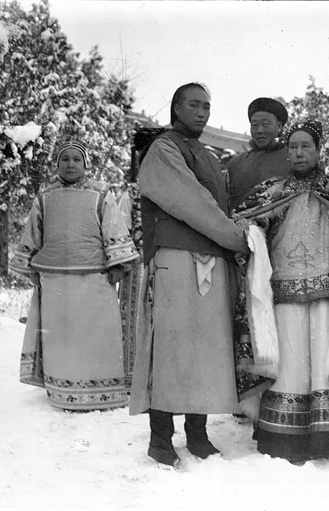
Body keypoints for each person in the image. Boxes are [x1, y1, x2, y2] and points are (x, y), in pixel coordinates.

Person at [233, 120, 329, 464]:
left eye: (305, 146)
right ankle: (284, 438)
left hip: (325, 293)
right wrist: (252, 229)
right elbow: (246, 220)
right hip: (283, 292)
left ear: (318, 150)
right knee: (290, 364)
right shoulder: (272, 190)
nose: (298, 153)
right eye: (292, 147)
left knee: (323, 362)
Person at [129, 83, 249, 468]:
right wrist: (235, 237)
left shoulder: (209, 157)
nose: (202, 112)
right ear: (176, 108)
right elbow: (193, 203)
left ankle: (197, 433)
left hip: (211, 260)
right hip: (175, 258)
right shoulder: (163, 149)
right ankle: (160, 438)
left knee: (205, 349)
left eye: (207, 107)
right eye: (194, 105)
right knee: (170, 349)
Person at [11, 140, 140, 411]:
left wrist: (116, 264)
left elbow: (113, 227)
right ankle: (62, 391)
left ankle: (103, 392)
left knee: (96, 335)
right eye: (65, 159)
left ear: (85, 164)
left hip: (95, 279)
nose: (71, 164)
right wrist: (31, 267)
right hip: (55, 280)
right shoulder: (45, 196)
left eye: (76, 159)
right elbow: (33, 232)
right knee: (62, 337)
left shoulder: (101, 193)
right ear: (57, 164)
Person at [226, 97, 290, 209]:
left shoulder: (292, 158)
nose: (259, 130)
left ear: (279, 127)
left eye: (265, 124)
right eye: (254, 125)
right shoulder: (236, 164)